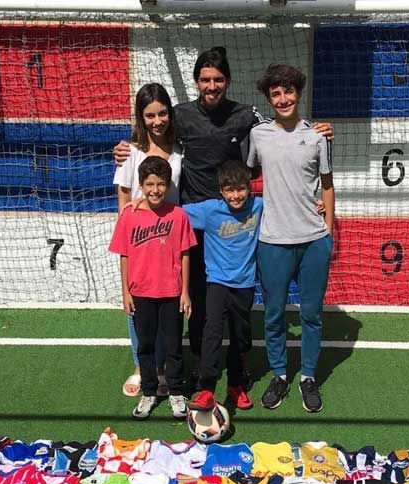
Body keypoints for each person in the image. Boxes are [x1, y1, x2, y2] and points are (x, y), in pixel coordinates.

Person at [115, 47, 334, 389]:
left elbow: (282, 134)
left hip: (233, 223)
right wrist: (127, 147)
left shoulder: (247, 116)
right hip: (192, 222)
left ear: (227, 81)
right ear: (196, 82)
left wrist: (318, 131)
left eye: (218, 79)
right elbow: (154, 136)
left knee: (237, 306)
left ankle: (239, 370)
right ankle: (200, 369)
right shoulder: (182, 115)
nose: (211, 85)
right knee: (196, 302)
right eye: (205, 79)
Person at [247, 64, 335, 414]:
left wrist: (328, 230)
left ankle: (309, 376)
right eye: (276, 94)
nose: (283, 99)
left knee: (311, 314)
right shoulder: (258, 136)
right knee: (273, 315)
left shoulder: (317, 136)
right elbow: (247, 173)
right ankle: (281, 374)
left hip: (313, 240)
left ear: (298, 93)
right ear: (269, 98)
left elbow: (327, 185)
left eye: (288, 92)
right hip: (272, 240)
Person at [108, 157, 196, 420]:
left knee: (173, 346)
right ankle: (149, 391)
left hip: (171, 292)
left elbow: (185, 254)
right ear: (140, 185)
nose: (155, 190)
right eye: (149, 184)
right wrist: (125, 291)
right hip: (141, 293)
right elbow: (124, 255)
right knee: (145, 345)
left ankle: (175, 391)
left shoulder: (178, 215)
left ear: (168, 185)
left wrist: (185, 291)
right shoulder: (129, 216)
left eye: (160, 184)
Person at [113, 83, 183, 398]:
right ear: (142, 118)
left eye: (162, 113)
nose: (157, 121)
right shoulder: (131, 151)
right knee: (138, 304)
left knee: (168, 305)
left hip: (170, 241)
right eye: (150, 115)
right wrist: (127, 236)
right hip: (140, 243)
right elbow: (125, 198)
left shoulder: (181, 149)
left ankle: (166, 367)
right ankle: (142, 368)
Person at [184, 160, 262, 412]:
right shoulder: (209, 211)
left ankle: (236, 386)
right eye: (229, 190)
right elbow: (174, 212)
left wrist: (313, 206)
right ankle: (206, 388)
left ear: (249, 188)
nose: (236, 195)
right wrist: (141, 205)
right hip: (216, 283)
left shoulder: (259, 206)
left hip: (246, 284)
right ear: (221, 191)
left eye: (240, 189)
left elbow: (287, 208)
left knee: (240, 338)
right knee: (213, 333)